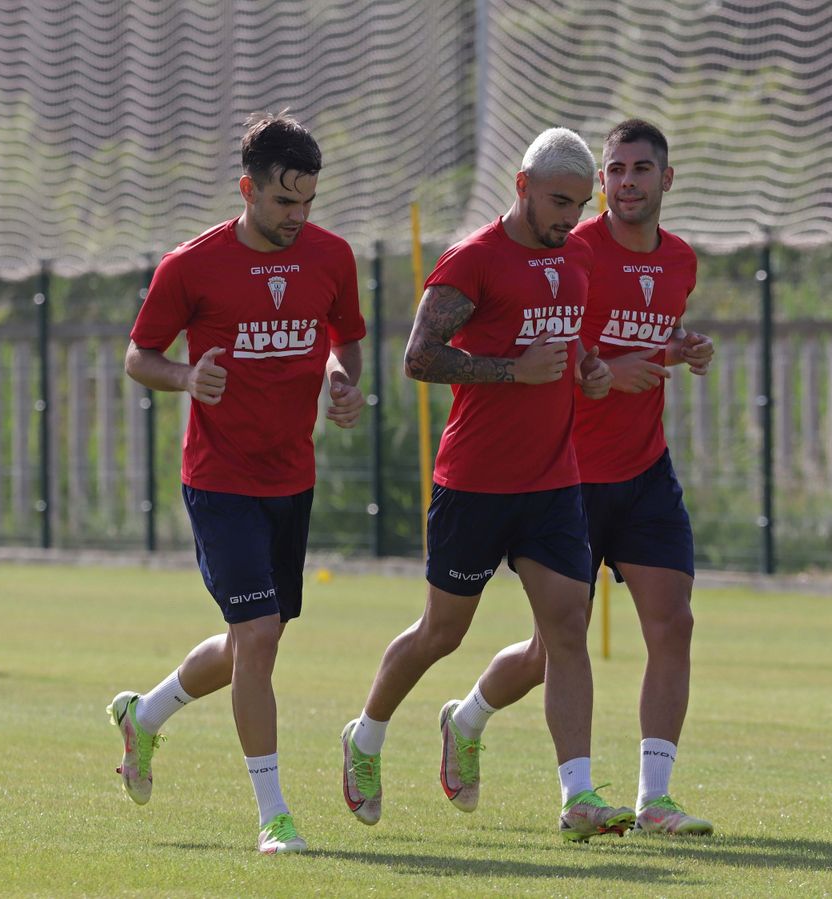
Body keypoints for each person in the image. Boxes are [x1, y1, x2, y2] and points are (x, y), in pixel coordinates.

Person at [339, 127, 629, 844]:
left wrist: (586, 368)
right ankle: (365, 737)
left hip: (553, 480)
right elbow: (418, 358)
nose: (571, 217)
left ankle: (577, 794)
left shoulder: (576, 260)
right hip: (473, 481)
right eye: (559, 201)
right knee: (443, 630)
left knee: (567, 628)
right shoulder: (473, 260)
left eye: (581, 204)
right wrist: (510, 370)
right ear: (523, 186)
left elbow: (564, 342)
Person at [433, 120, 718, 836]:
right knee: (549, 649)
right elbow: (567, 344)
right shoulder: (571, 248)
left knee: (674, 622)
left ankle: (656, 799)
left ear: (665, 180)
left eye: (640, 169)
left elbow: (640, 341)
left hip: (645, 468)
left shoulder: (681, 260)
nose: (625, 182)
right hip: (568, 473)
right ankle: (466, 717)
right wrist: (602, 373)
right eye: (615, 170)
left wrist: (679, 349)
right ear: (599, 185)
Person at [106, 113, 366, 855]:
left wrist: (345, 382)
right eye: (285, 202)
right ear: (248, 189)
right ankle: (274, 813)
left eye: (309, 200)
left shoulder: (332, 257)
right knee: (257, 636)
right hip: (220, 478)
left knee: (251, 638)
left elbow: (345, 341)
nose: (299, 216)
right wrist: (188, 376)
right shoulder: (190, 265)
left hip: (293, 475)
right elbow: (138, 357)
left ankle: (145, 715)